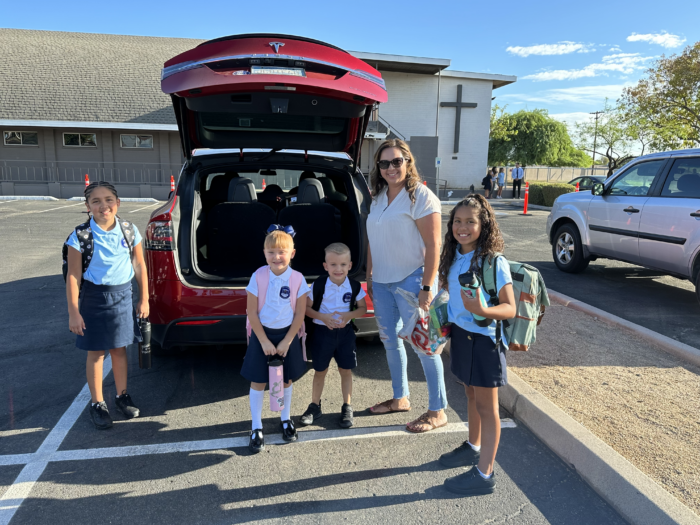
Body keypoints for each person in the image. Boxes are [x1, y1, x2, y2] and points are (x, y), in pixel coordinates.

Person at [365, 139, 448, 433]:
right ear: (378, 167)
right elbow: (373, 240)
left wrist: (427, 287)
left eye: (397, 161)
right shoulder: (377, 198)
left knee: (426, 346)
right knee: (390, 342)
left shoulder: (421, 197)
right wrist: (370, 275)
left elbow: (433, 244)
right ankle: (400, 398)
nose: (391, 168)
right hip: (383, 282)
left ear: (408, 162)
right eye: (384, 163)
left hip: (413, 280)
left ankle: (438, 410)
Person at [436, 195, 516, 495]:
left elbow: (509, 308)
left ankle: (484, 475)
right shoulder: (454, 254)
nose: (463, 227)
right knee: (469, 394)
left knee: (487, 406)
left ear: (484, 225)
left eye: (470, 221)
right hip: (460, 335)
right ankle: (473, 446)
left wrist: (482, 311)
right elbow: (451, 296)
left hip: (484, 341)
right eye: (457, 221)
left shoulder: (493, 261)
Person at [65, 181, 147, 430]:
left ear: (118, 203)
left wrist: (144, 298)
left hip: (123, 296)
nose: (104, 206)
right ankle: (98, 403)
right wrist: (74, 312)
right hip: (94, 298)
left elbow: (140, 266)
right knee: (97, 353)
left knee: (120, 350)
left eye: (109, 199)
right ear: (88, 206)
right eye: (96, 201)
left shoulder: (129, 230)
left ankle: (122, 396)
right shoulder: (80, 236)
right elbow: (73, 276)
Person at [242, 224, 310, 453]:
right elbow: (252, 312)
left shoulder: (298, 279)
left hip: (286, 336)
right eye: (271, 252)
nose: (276, 257)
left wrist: (287, 341)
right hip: (263, 335)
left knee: (286, 380)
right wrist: (263, 341)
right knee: (258, 382)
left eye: (282, 252)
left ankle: (285, 418)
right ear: (264, 253)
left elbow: (300, 314)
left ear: (292, 253)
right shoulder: (258, 276)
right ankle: (256, 426)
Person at [300, 243, 368, 429]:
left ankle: (347, 406)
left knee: (345, 370)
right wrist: (322, 317)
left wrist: (348, 315)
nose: (338, 269)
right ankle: (315, 406)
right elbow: (305, 308)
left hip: (345, 335)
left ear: (350, 265)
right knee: (320, 371)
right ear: (325, 266)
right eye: (333, 265)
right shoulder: (318, 285)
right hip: (323, 334)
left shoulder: (354, 286)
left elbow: (363, 308)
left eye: (343, 264)